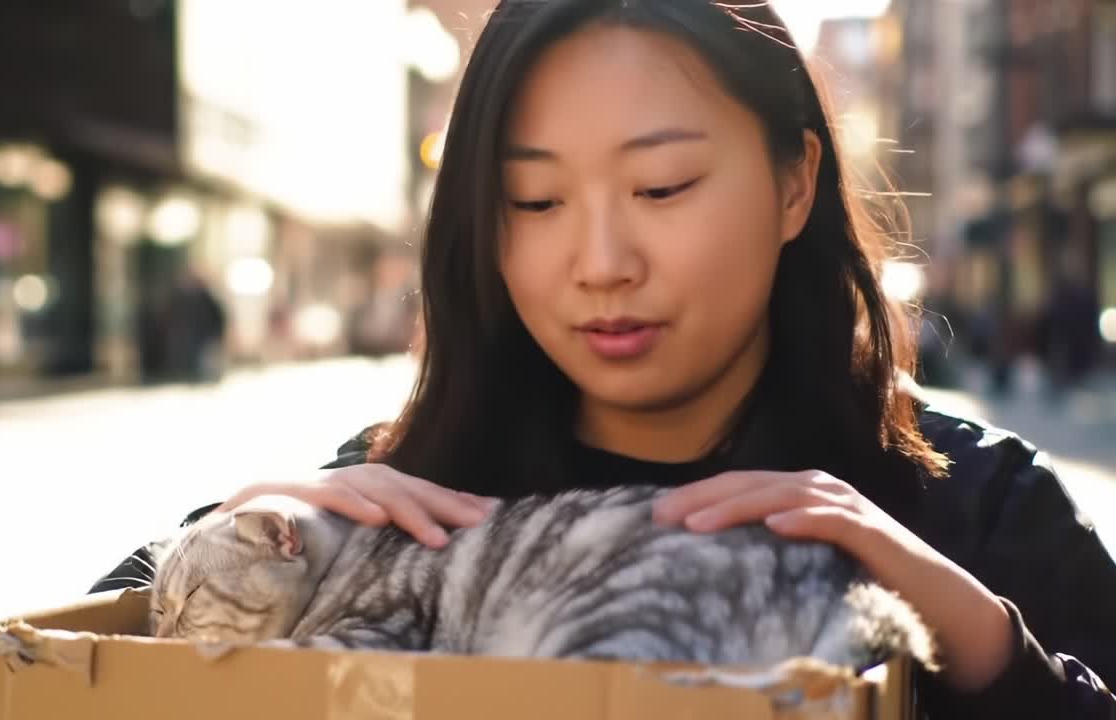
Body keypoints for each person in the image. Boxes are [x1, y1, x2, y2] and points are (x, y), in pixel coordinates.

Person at [93, 1, 1116, 717]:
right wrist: (240, 530)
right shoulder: (395, 500)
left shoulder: (972, 509)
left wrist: (986, 655)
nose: (599, 264)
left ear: (793, 182)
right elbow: (55, 679)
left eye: (661, 187)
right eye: (533, 201)